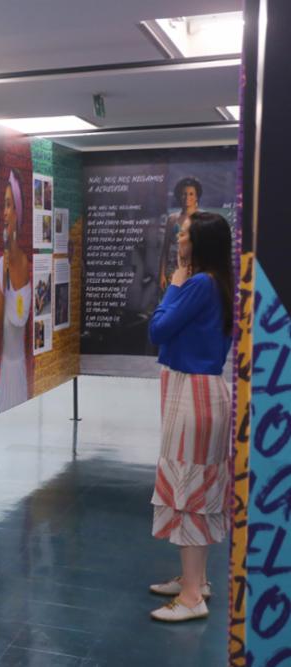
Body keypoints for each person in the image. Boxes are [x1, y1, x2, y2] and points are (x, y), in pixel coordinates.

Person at [147, 212, 233, 622]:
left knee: (189, 490)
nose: (178, 238)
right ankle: (194, 579)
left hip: (194, 394)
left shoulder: (198, 284)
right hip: (199, 390)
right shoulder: (216, 282)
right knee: (195, 487)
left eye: (183, 233)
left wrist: (176, 283)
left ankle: (192, 595)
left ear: (198, 243)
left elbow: (158, 329)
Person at [0, 170, 32, 412]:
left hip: (18, 372)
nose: (4, 213)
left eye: (9, 205)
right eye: (3, 206)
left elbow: (3, 340)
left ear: (18, 212)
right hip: (11, 373)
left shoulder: (26, 265)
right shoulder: (3, 265)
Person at [159, 177, 202, 293]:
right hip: (172, 272)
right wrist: (162, 274)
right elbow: (165, 249)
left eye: (191, 194)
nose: (187, 197)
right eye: (184, 194)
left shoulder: (202, 218)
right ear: (179, 196)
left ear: (197, 196)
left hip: (193, 271)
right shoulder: (172, 219)